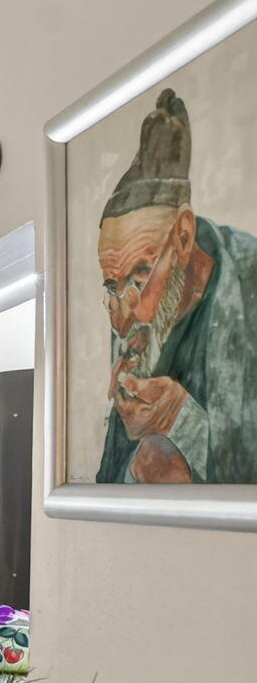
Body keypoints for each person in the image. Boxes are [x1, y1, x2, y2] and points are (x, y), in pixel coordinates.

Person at [96, 88, 257, 483]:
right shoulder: (131, 308)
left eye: (139, 276)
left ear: (184, 237)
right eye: (113, 286)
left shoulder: (248, 280)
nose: (121, 319)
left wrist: (179, 419)